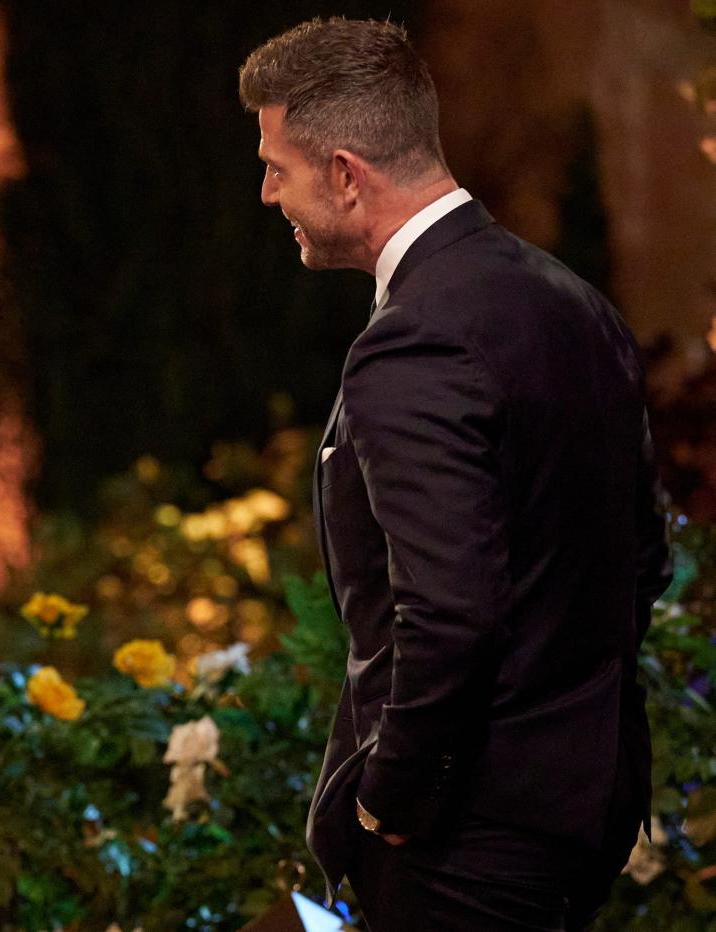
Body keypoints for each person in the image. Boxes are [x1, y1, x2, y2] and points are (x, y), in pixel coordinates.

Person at [238, 18, 672, 931]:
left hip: (463, 835)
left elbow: (449, 613)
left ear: (347, 173)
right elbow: (640, 562)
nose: (267, 191)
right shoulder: (573, 302)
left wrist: (390, 798)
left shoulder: (418, 337)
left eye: (278, 166)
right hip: (583, 806)